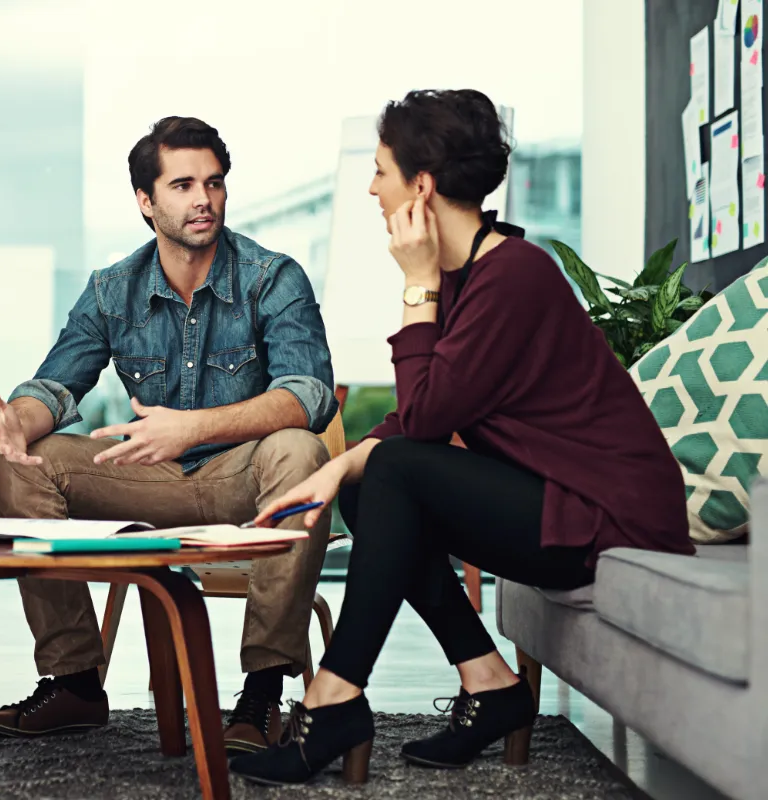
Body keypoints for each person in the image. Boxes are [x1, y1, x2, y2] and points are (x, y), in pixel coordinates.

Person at [228, 89, 695, 786]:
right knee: (371, 483)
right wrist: (335, 469)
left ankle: (334, 696)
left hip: (608, 517)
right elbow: (427, 415)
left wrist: (416, 286)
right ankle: (491, 685)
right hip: (563, 501)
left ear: (420, 185)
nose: (370, 185)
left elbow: (420, 422)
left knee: (390, 473)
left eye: (381, 169)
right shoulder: (473, 273)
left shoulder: (510, 277)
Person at [0, 116, 338, 755]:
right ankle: (75, 684)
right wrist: (17, 422)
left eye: (214, 183)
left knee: (301, 450)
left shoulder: (272, 277)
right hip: (146, 483)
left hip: (244, 484)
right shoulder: (113, 289)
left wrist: (192, 428)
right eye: (182, 185)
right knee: (27, 465)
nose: (204, 199)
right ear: (146, 201)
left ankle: (261, 694)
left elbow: (307, 395)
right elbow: (58, 385)